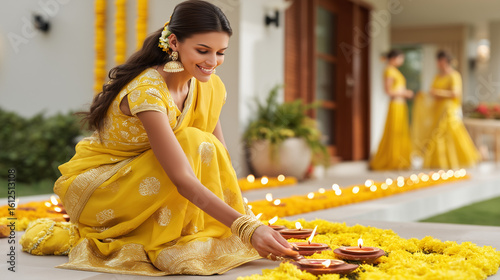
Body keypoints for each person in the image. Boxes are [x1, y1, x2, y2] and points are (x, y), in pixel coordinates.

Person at [51, 0, 297, 276]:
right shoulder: (148, 92)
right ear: (174, 42)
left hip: (148, 180)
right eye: (202, 51)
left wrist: (247, 218)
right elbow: (183, 179)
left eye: (220, 52)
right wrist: (246, 228)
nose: (212, 62)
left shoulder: (209, 86)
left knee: (202, 144)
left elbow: (220, 161)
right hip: (104, 190)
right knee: (193, 141)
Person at [420, 50, 480, 169]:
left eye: (439, 60)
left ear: (444, 61)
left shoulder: (454, 75)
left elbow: (455, 94)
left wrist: (438, 92)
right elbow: (432, 91)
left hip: (449, 109)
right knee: (437, 133)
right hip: (437, 109)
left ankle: (456, 160)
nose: (437, 63)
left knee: (451, 131)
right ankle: (439, 161)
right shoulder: (437, 76)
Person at [370, 49, 413, 170]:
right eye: (400, 58)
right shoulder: (389, 70)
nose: (402, 61)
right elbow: (388, 91)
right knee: (394, 131)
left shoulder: (394, 71)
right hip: (395, 105)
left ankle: (399, 159)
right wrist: (405, 93)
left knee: (400, 132)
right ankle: (392, 160)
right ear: (394, 58)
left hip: (400, 105)